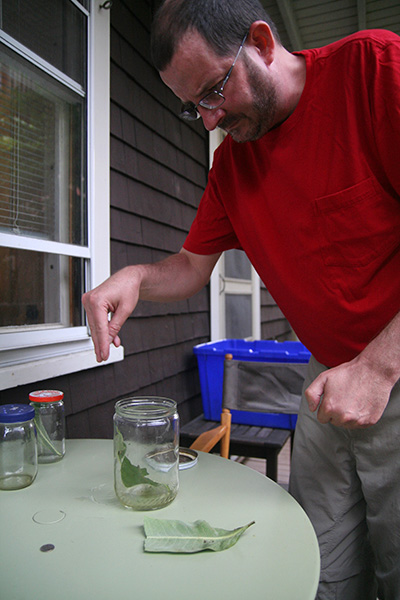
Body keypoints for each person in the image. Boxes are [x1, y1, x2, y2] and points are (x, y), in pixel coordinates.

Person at [82, 0, 400, 597]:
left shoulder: (373, 71)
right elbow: (189, 267)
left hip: (393, 367)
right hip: (325, 382)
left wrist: (380, 366)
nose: (208, 121)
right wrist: (136, 278)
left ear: (262, 41)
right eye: (193, 106)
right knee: (319, 566)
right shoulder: (231, 165)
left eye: (213, 91)